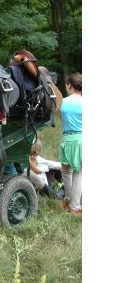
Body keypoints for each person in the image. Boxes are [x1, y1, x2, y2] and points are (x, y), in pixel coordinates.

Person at [59, 73, 82, 217]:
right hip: (81, 140)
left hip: (66, 139)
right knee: (79, 174)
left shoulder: (63, 103)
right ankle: (75, 207)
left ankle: (67, 201)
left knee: (66, 172)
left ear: (69, 85)